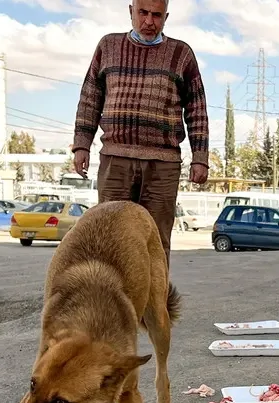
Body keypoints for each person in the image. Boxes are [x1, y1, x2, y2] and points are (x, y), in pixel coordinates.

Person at [71, 0, 209, 263]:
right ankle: (112, 304)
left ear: (166, 17)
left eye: (156, 15)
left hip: (162, 166)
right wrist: (81, 145)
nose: (149, 21)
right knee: (109, 239)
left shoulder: (181, 54)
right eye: (143, 13)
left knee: (155, 244)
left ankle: (155, 305)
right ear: (130, 11)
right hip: (115, 161)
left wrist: (200, 157)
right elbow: (90, 98)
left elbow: (197, 108)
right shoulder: (108, 46)